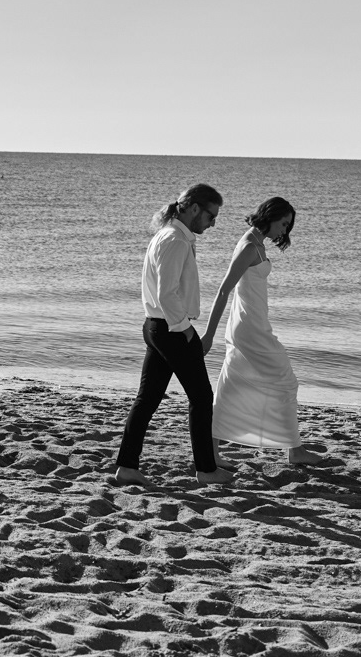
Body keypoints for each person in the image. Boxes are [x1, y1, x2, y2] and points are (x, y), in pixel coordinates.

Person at [114, 183, 234, 487]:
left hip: (158, 326)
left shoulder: (169, 235)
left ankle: (127, 466)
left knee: (148, 399)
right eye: (211, 216)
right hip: (171, 329)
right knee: (201, 397)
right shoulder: (175, 240)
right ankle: (206, 469)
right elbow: (166, 293)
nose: (213, 223)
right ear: (194, 208)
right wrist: (186, 330)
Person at [200, 197, 317, 465]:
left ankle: (213, 452)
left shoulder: (256, 242)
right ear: (270, 216)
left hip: (254, 324)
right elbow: (223, 291)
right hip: (249, 328)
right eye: (283, 224)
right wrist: (208, 335)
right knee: (285, 381)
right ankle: (295, 451)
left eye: (288, 226)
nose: (284, 231)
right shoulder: (250, 247)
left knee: (231, 386)